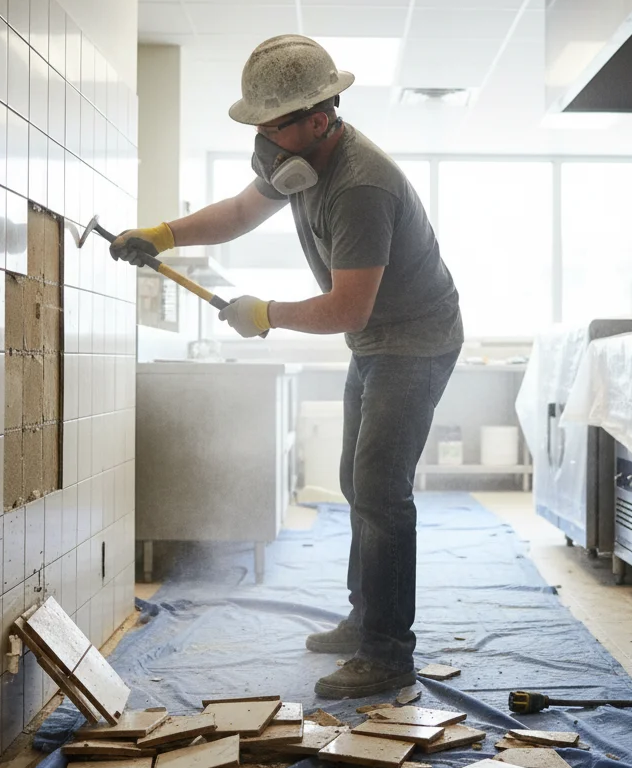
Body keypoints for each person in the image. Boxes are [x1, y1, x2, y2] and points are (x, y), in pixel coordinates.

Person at [111, 35, 463, 698]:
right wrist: (162, 235)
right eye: (258, 127)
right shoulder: (298, 161)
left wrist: (266, 313)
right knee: (357, 480)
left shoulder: (360, 186)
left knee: (381, 489)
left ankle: (389, 653)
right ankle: (366, 619)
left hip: (416, 340)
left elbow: (349, 307)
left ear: (319, 121)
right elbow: (241, 212)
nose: (263, 141)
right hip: (375, 340)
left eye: (273, 127)